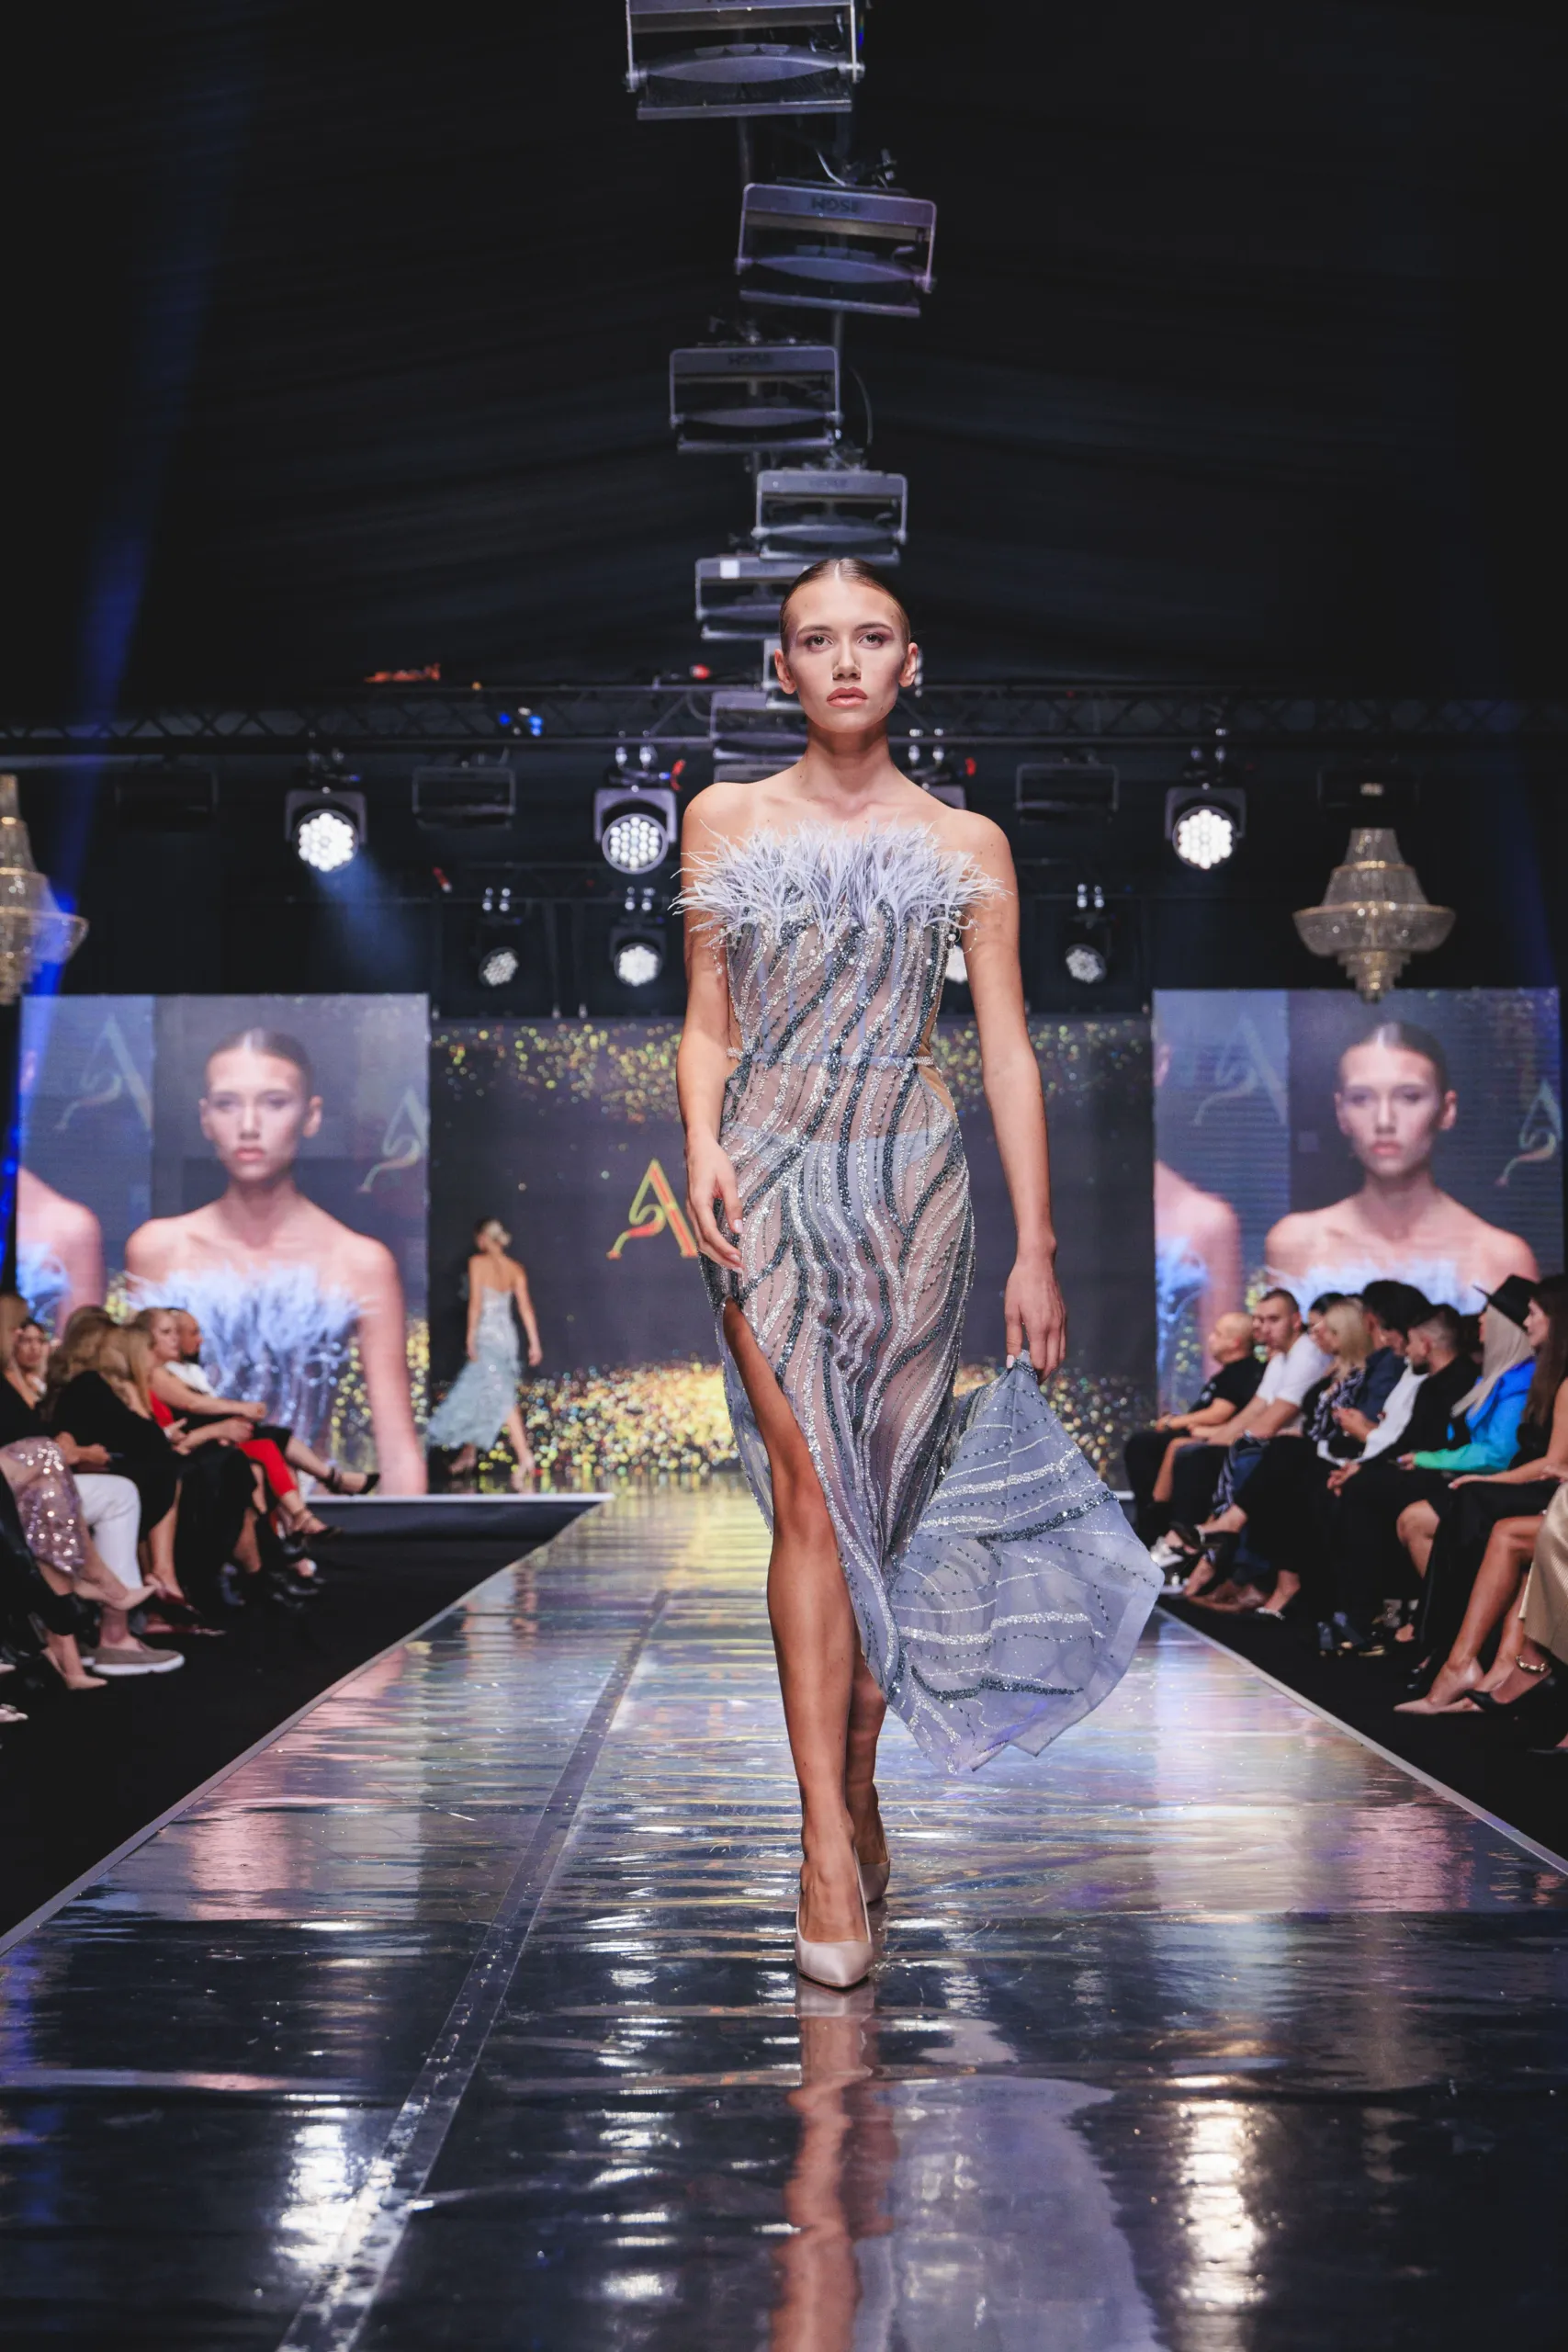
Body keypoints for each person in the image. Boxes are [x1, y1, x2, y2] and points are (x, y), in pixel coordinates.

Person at [676, 555, 1159, 1989]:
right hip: (764, 1170)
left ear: (908, 662)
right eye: (814, 639)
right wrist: (698, 1139)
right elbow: (703, 1018)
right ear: (778, 668)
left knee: (878, 1523)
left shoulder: (964, 842)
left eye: (869, 636)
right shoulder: (720, 817)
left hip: (908, 1186)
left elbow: (1004, 1049)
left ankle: (857, 1775)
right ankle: (822, 1840)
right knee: (808, 1497)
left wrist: (1037, 1245)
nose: (842, 660)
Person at [124, 1028, 425, 1493]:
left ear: (312, 1115)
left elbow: (398, 1449)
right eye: (227, 1103)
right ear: (206, 1118)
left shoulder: (359, 1261)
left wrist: (412, 1538)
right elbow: (132, 1407)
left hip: (313, 1510)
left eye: (274, 1102)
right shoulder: (159, 1249)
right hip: (186, 1508)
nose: (248, 1125)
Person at [1266, 1021, 1539, 1307]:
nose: (1384, 1121)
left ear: (1447, 1110)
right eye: (1361, 1099)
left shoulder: (1499, 1258)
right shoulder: (1297, 1244)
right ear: (1341, 1112)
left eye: (1409, 1097)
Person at [1324, 1302, 1477, 1646]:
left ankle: (1366, 1614)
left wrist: (1367, 1471)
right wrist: (1359, 1467)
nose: (1406, 1351)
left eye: (1411, 1343)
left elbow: (1432, 1444)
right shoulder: (1434, 1383)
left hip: (1446, 1473)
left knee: (1364, 1491)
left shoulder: (1461, 1381)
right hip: (1423, 1467)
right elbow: (1407, 1442)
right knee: (1356, 1486)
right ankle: (1361, 1611)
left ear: (1426, 1344)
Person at [1157, 1289, 1332, 1575]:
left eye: (1273, 1319)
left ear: (1295, 1320)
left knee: (1209, 1458)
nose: (1263, 1327)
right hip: (1270, 1444)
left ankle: (1197, 1555)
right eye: (1259, 1320)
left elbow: (1270, 1421)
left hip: (1289, 1449)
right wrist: (1215, 1440)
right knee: (1196, 1453)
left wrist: (1222, 1441)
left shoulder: (1307, 1356)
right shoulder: (1280, 1359)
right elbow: (1252, 1412)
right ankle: (1185, 1547)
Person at [424, 1218, 543, 1489]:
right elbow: (526, 1309)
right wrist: (534, 1343)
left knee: (500, 1396)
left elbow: (476, 1304)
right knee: (485, 1393)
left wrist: (470, 1338)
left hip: (488, 1338)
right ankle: (468, 1455)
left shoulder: (477, 1263)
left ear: (484, 1239)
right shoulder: (515, 1268)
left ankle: (525, 1457)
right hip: (507, 1340)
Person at [1124, 1309, 1260, 1542]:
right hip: (1202, 1435)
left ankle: (1157, 1525)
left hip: (1219, 1440)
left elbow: (1219, 1413)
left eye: (1218, 1334)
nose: (1210, 1339)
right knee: (1143, 1444)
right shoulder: (1228, 1374)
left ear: (1235, 1342)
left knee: (1159, 1447)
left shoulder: (1243, 1372)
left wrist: (1175, 1422)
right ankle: (1150, 1519)